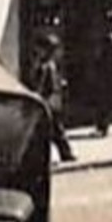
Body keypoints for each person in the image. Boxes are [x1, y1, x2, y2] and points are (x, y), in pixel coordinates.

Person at [30, 32, 75, 163]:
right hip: (50, 101)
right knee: (54, 130)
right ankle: (65, 153)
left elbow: (43, 84)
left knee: (52, 130)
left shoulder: (46, 66)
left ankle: (64, 153)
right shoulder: (48, 65)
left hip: (48, 102)